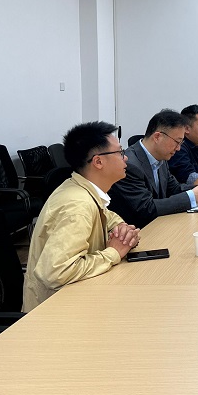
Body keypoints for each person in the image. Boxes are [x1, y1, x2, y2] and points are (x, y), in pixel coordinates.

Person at [23, 121, 140, 312]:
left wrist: (122, 229)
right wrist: (113, 253)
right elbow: (56, 272)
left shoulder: (81, 189)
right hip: (54, 313)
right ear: (98, 162)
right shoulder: (77, 205)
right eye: (120, 152)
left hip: (77, 299)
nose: (125, 158)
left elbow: (107, 216)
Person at [108, 109, 198, 229]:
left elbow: (174, 189)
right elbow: (146, 208)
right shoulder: (129, 165)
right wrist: (191, 196)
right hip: (139, 230)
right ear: (157, 137)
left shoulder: (161, 157)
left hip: (158, 225)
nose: (178, 148)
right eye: (177, 142)